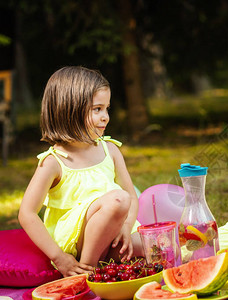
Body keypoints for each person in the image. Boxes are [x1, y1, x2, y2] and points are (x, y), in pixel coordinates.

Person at [18, 66, 143, 277]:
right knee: (117, 200)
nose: (106, 117)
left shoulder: (109, 149)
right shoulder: (54, 162)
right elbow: (27, 213)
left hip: (113, 235)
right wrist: (58, 257)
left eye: (107, 109)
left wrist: (127, 227)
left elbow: (132, 194)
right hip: (77, 243)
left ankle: (104, 267)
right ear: (69, 109)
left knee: (155, 247)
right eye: (97, 109)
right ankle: (86, 270)